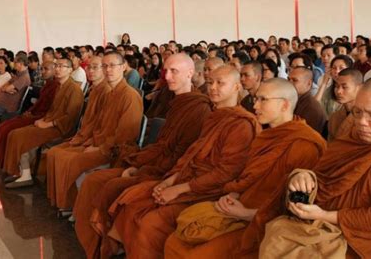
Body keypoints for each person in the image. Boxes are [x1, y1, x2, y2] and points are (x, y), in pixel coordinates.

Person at [105, 65, 261, 258]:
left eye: (220, 83)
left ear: (237, 87)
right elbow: (192, 156)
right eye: (211, 82)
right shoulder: (214, 116)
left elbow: (226, 173)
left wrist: (178, 189)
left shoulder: (241, 124)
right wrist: (168, 182)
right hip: (188, 179)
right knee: (132, 202)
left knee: (150, 221)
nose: (213, 87)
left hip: (210, 191)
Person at [164, 78, 326, 259]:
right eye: (256, 98)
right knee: (174, 242)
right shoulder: (265, 136)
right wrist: (234, 195)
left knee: (195, 255)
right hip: (240, 207)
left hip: (264, 223)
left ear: (284, 104)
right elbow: (249, 176)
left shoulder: (305, 144)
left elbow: (295, 209)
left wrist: (247, 214)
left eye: (263, 100)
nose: (255, 105)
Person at [73, 53, 213, 258]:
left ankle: (105, 246)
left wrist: (143, 168)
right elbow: (163, 144)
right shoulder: (177, 103)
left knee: (107, 184)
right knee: (93, 180)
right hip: (155, 161)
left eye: (174, 71)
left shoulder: (199, 109)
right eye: (166, 71)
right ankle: (94, 245)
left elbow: (181, 155)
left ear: (190, 73)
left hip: (168, 172)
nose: (167, 76)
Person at [272, 76, 371, 258]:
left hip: (360, 241)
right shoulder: (351, 138)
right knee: (274, 234)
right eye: (357, 112)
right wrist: (303, 177)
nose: (362, 121)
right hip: (316, 223)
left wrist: (325, 215)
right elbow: (324, 178)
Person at [46, 51, 143, 209]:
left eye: (112, 65)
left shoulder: (130, 96)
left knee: (70, 160)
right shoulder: (111, 94)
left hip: (115, 150)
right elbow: (99, 125)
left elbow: (125, 136)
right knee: (58, 155)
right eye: (105, 66)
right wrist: (91, 141)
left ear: (123, 67)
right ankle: (68, 203)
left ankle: (72, 205)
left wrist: (100, 147)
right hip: (99, 142)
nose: (108, 70)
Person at [1, 58, 84, 188]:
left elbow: (70, 117)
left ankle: (25, 175)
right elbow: (52, 110)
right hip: (50, 121)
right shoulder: (59, 87)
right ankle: (22, 172)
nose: (58, 69)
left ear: (70, 70)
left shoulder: (75, 90)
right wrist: (44, 119)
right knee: (14, 133)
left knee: (19, 136)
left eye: (62, 66)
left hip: (60, 128)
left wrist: (49, 124)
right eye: (56, 66)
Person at [0, 61, 58, 167]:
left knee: (8, 130)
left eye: (46, 69)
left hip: (42, 118)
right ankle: (4, 162)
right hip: (35, 114)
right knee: (3, 126)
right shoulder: (47, 84)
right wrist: (30, 111)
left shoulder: (56, 86)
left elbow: (51, 110)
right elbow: (39, 103)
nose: (42, 72)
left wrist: (34, 115)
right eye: (42, 68)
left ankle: (12, 165)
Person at [327, 68, 363, 141]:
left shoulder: (364, 119)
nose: (339, 91)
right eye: (337, 86)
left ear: (359, 88)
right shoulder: (335, 117)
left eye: (344, 87)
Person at [289, 67, 327, 134]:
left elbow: (305, 136)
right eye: (288, 79)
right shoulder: (294, 100)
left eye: (294, 80)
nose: (289, 83)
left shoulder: (312, 108)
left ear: (309, 83)